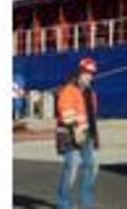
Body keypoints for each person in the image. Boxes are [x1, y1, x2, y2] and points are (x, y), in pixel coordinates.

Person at [55, 57, 100, 209]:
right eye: (86, 73)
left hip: (86, 136)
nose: (89, 76)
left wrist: (95, 138)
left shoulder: (90, 93)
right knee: (72, 167)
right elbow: (65, 113)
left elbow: (92, 118)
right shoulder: (68, 91)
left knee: (91, 166)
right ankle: (63, 203)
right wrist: (76, 128)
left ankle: (87, 204)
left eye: (91, 74)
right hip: (69, 135)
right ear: (79, 72)